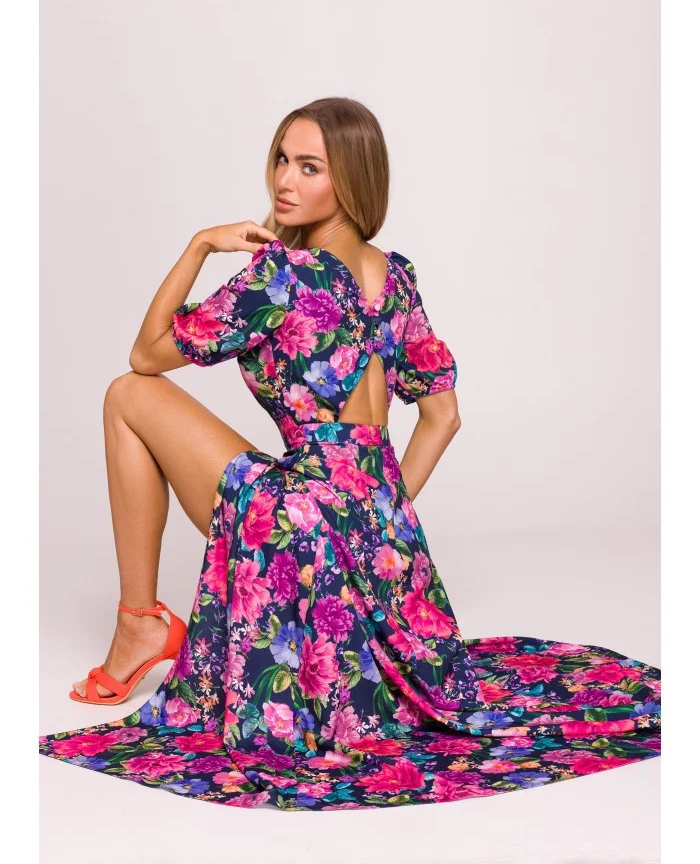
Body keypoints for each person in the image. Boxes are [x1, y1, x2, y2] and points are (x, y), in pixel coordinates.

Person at [39, 97, 661, 811]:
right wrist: (371, 522)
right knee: (213, 441)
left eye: (311, 167)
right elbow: (443, 416)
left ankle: (138, 623)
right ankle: (149, 620)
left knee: (126, 393)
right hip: (386, 539)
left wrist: (200, 245)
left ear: (353, 179)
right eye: (282, 159)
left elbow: (146, 354)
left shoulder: (283, 275)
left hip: (303, 519)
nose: (285, 180)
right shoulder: (396, 277)